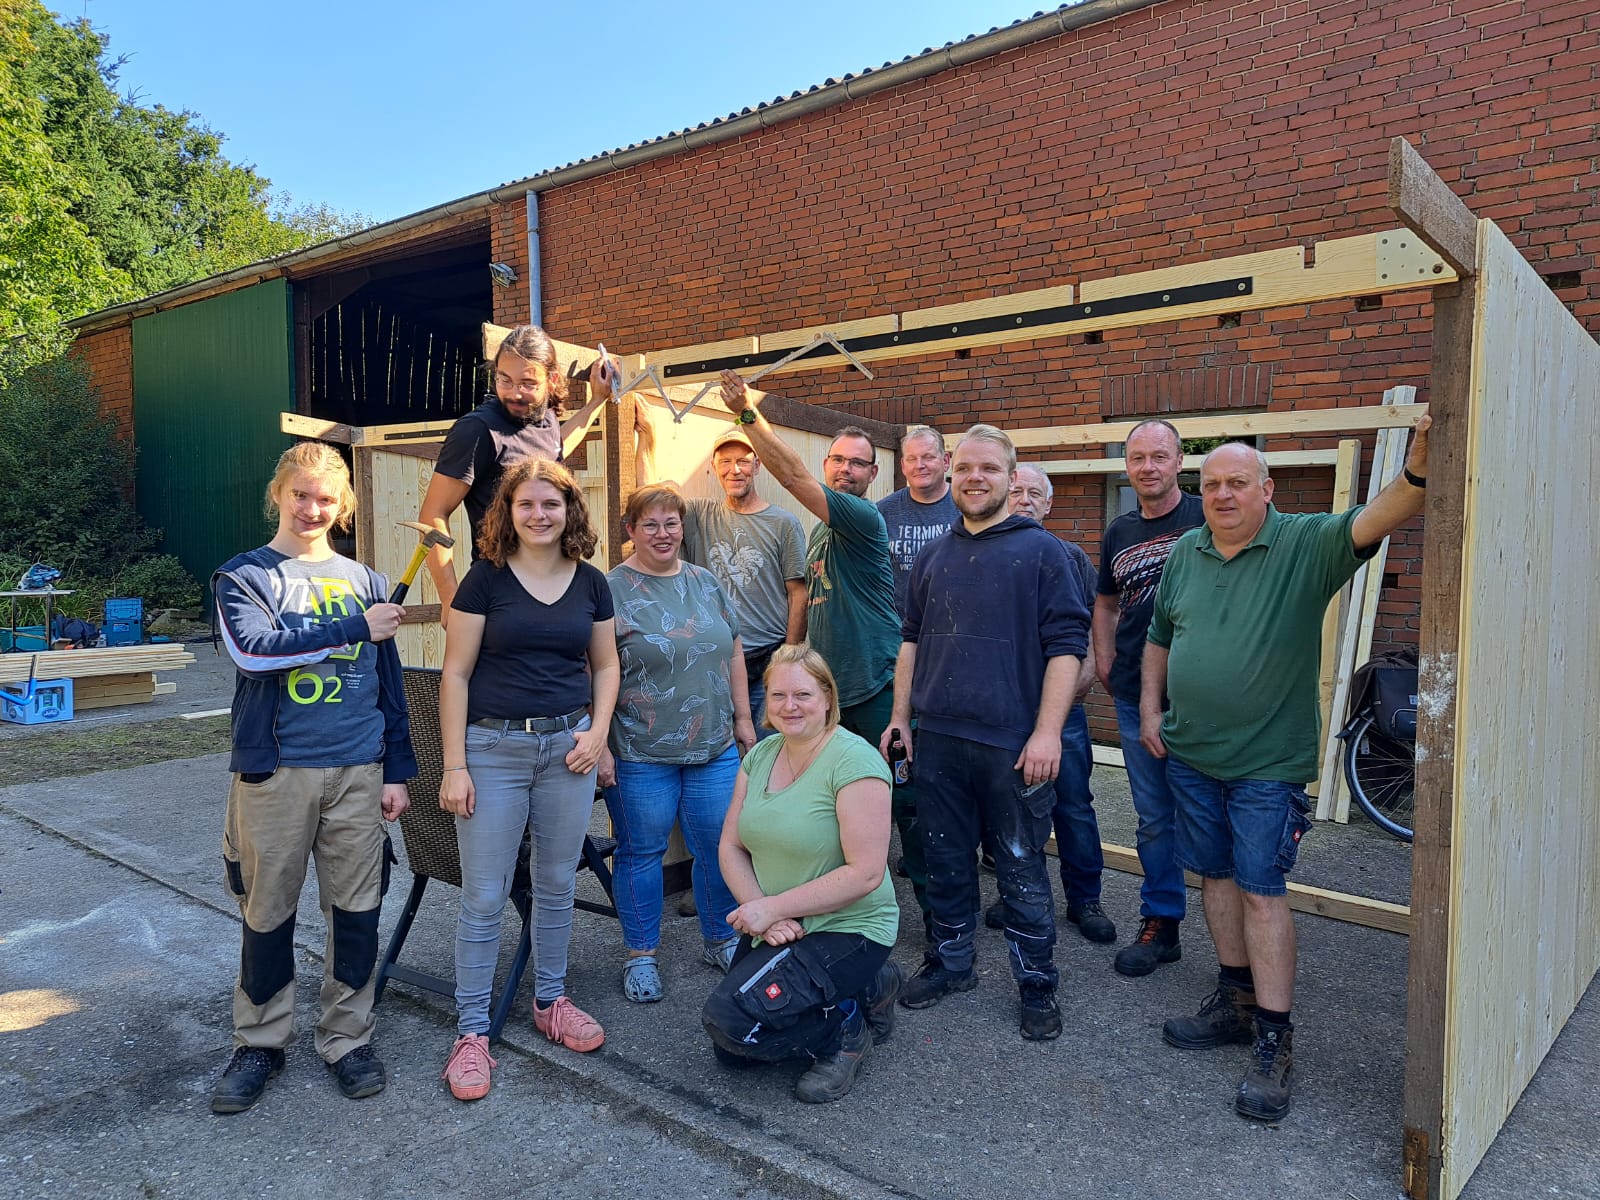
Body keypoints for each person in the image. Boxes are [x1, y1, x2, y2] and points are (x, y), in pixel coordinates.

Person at [1143, 419, 1431, 1122]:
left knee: (1261, 888)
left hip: (1267, 765)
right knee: (1214, 878)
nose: (1221, 494)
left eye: (1237, 482)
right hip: (1191, 755)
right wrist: (1151, 710)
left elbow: (1387, 510)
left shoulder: (1305, 544)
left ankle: (1275, 1039)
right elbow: (1159, 636)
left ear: (1266, 490)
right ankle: (1234, 1003)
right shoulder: (1186, 551)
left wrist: (1420, 465)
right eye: (1209, 484)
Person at [210, 442, 416, 1114]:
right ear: (279, 494)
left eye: (326, 499)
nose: (312, 508)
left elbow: (391, 687)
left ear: (343, 506)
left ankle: (347, 1038)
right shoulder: (246, 576)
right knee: (266, 912)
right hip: (276, 776)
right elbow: (251, 652)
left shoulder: (367, 580)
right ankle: (260, 1043)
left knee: (356, 911)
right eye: (301, 494)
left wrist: (398, 771)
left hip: (358, 771)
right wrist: (355, 627)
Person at [882, 426, 1090, 1041]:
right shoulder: (935, 556)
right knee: (947, 861)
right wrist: (901, 718)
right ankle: (951, 964)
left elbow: (1068, 650)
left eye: (989, 470)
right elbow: (911, 643)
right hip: (939, 738)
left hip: (1015, 744)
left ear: (1009, 476)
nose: (976, 479)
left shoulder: (1044, 554)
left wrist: (1048, 732)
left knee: (1022, 867)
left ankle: (1037, 983)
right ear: (951, 471)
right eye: (966, 468)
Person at [715, 371, 931, 934]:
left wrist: (746, 414)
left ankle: (941, 932)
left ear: (873, 473)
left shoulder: (862, 519)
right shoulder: (818, 535)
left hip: (874, 688)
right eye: (838, 460)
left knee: (904, 809)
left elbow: (788, 472)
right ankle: (821, 906)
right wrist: (791, 661)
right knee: (829, 808)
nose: (845, 470)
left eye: (858, 463)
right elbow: (810, 603)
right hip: (829, 696)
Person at [437, 458, 619, 1102]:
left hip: (566, 749)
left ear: (571, 509)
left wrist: (597, 733)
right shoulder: (484, 580)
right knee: (485, 895)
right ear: (506, 513)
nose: (540, 515)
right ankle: (471, 1032)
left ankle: (550, 1001)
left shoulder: (592, 583)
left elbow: (605, 666)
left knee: (555, 885)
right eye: (526, 505)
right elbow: (454, 673)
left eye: (552, 504)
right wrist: (453, 764)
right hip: (493, 749)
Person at [702, 645, 902, 1103]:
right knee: (732, 1049)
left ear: (829, 698)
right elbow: (730, 846)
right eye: (777, 695)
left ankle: (845, 1031)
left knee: (733, 1021)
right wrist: (766, 914)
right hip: (782, 924)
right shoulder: (762, 755)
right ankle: (873, 986)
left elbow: (866, 874)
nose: (789, 707)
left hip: (848, 927)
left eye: (803, 695)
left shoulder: (856, 764)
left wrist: (772, 909)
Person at [598, 482, 758, 1003]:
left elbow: (732, 648)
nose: (663, 533)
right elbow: (592, 670)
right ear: (631, 530)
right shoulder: (610, 588)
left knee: (719, 847)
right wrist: (597, 741)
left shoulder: (706, 581)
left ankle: (719, 937)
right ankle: (640, 955)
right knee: (641, 851)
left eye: (671, 523)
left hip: (713, 747)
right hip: (641, 752)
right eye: (650, 524)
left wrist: (744, 721)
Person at [981, 464, 1116, 945]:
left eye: (1034, 493)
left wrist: (1074, 691)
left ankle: (1085, 900)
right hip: (1007, 713)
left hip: (1063, 715)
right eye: (1015, 491)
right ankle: (1016, 894)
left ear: (1049, 504)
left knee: (1073, 806)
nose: (1023, 500)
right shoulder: (989, 556)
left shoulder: (1072, 559)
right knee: (1011, 809)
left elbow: (1092, 637)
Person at [1093, 419, 1205, 978]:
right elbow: (1107, 604)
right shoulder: (1119, 531)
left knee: (1216, 812)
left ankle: (1242, 933)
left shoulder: (1208, 516)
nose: (1148, 468)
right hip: (1139, 693)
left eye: (1159, 457)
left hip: (1207, 696)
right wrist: (1106, 656)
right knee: (1155, 816)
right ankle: (1162, 922)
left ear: (1179, 461)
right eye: (1137, 458)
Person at [418, 324, 616, 621]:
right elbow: (433, 513)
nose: (514, 393)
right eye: (504, 380)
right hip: (499, 591)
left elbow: (556, 448)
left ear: (551, 380)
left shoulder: (545, 418)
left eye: (527, 383)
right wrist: (450, 599)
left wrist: (596, 401)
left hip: (553, 582)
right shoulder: (478, 430)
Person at [632, 401, 807, 733]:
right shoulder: (698, 515)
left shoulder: (783, 523)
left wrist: (789, 656)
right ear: (713, 467)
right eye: (725, 461)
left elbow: (798, 594)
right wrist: (648, 441)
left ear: (758, 466)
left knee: (766, 750)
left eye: (743, 461)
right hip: (713, 662)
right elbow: (649, 501)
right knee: (722, 749)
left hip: (766, 661)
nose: (734, 469)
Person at [876, 424, 957, 618]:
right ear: (903, 466)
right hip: (898, 632)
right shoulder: (882, 512)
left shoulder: (966, 507)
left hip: (955, 626)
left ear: (946, 461)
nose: (919, 465)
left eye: (928, 457)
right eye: (912, 459)